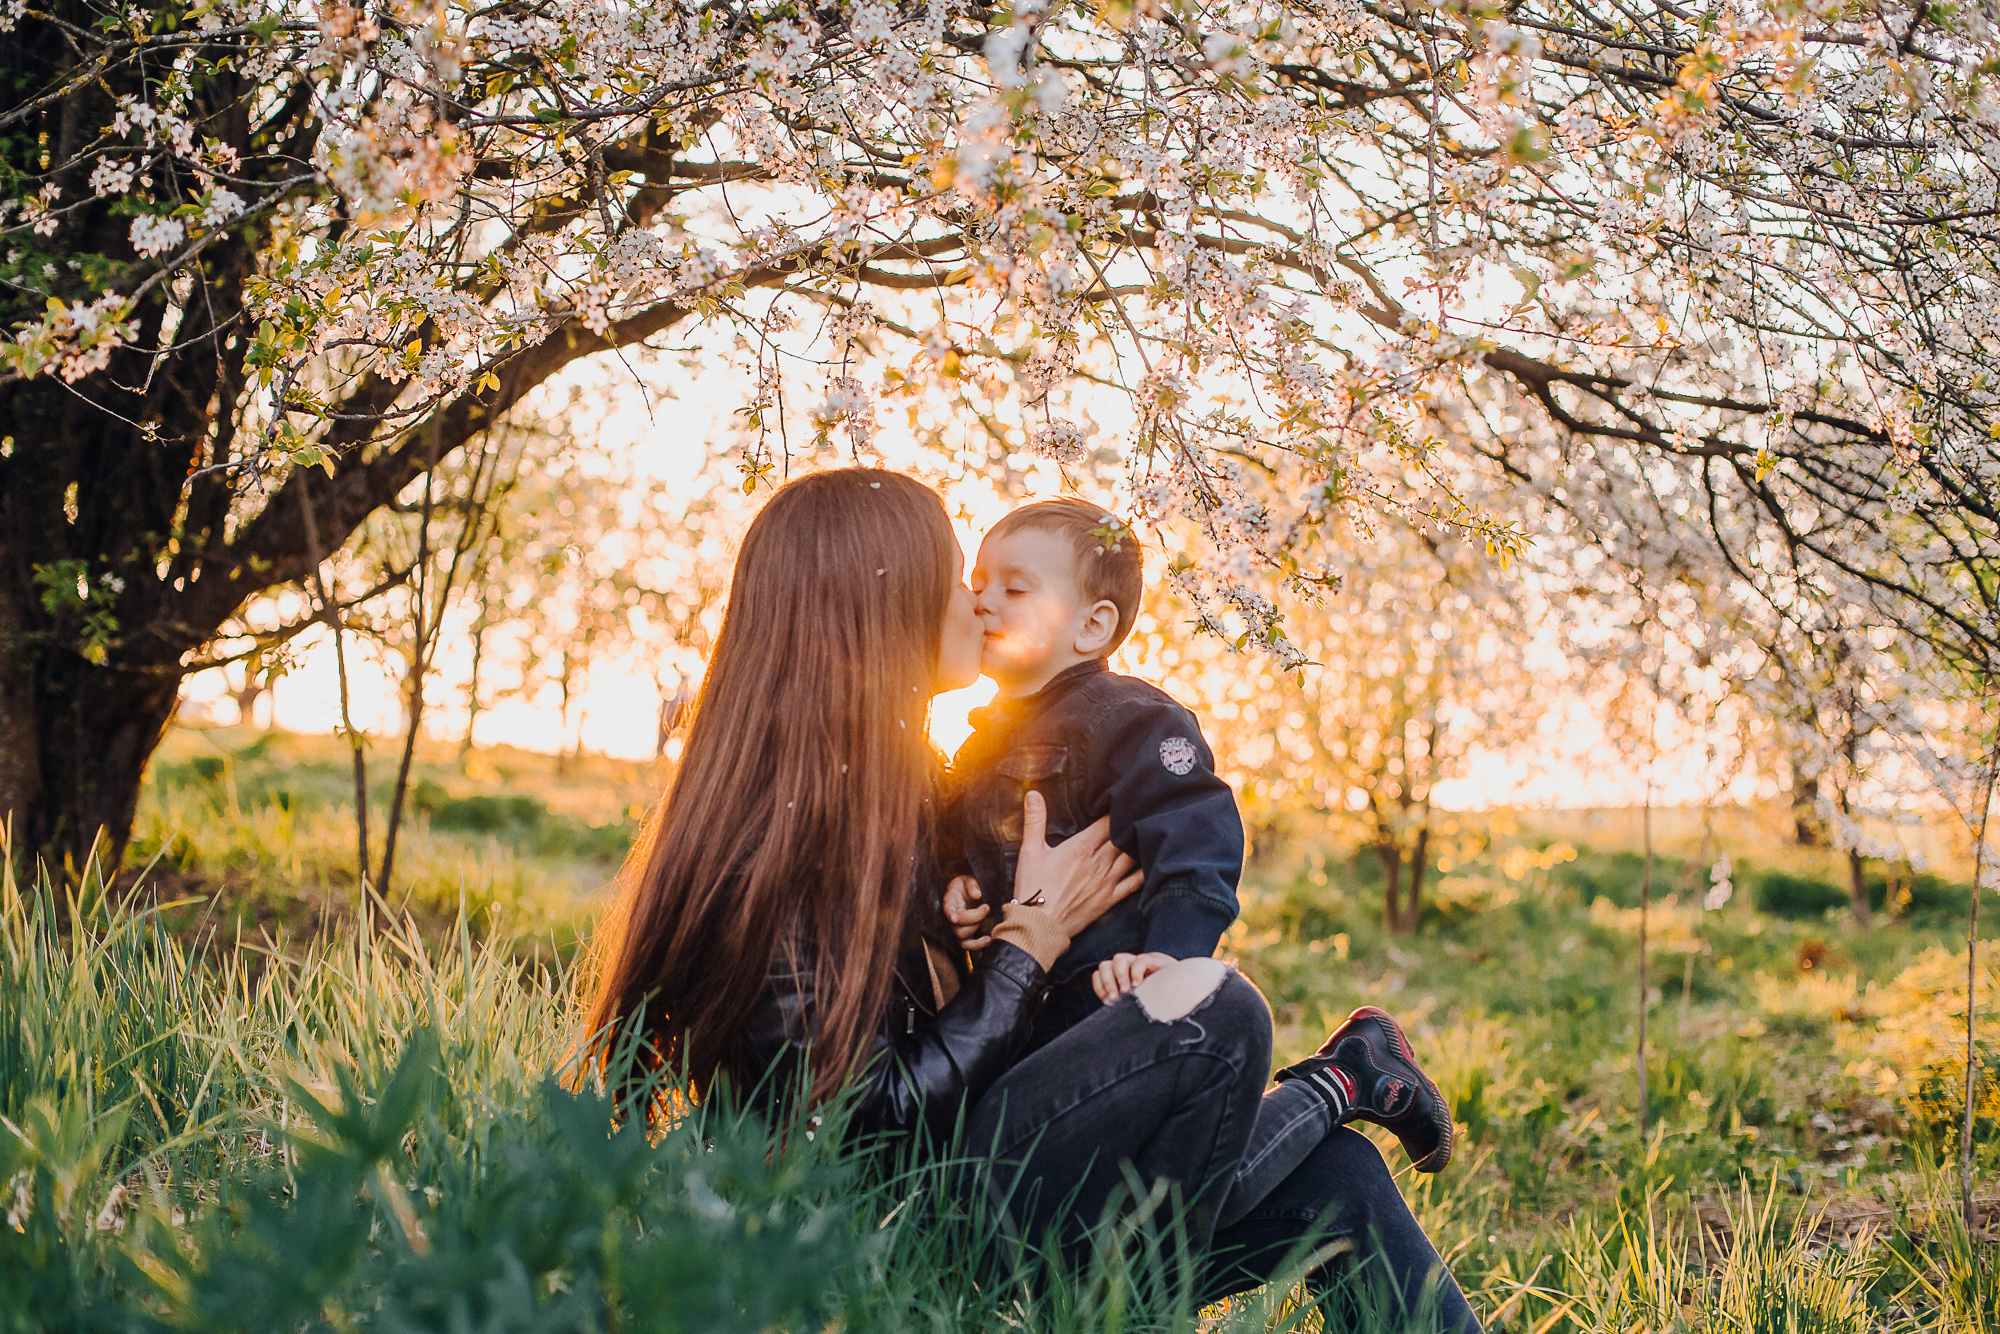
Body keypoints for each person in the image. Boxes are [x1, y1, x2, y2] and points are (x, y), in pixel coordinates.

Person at [584, 468, 1483, 1332]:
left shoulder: (905, 783)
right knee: (1218, 1012)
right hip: (904, 1233)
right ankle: (1134, 1293)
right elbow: (856, 1123)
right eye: (959, 579)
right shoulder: (786, 843)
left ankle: (1326, 1106)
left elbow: (1186, 835)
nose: (976, 603)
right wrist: (1029, 940)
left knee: (1338, 1176)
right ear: (881, 607)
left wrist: (972, 912)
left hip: (983, 1162)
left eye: (998, 586)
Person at [938, 497, 1452, 1178]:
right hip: (1027, 1018)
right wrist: (961, 888)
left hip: (1108, 1003)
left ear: (1092, 627)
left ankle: (1349, 1079)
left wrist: (1169, 956)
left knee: (1156, 1189)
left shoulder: (1130, 720)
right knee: (1155, 1186)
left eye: (1014, 588)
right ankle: (1348, 1078)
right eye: (979, 582)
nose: (983, 601)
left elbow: (1196, 838)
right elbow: (975, 842)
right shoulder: (978, 745)